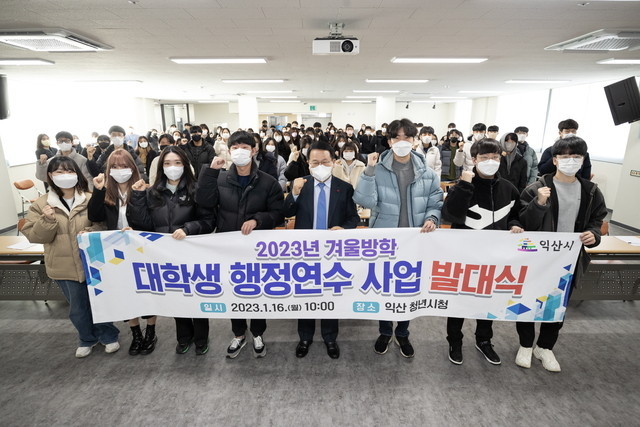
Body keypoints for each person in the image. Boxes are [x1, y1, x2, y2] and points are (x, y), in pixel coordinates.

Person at [354, 118, 443, 358]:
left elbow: (435, 200)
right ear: (389, 141)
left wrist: (432, 218)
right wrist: (369, 171)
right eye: (396, 137)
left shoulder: (425, 171)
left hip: (415, 240)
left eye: (407, 137)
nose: (402, 141)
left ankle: (403, 333)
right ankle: (385, 331)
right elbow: (364, 201)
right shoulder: (378, 168)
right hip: (385, 240)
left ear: (414, 140)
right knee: (384, 288)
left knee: (407, 288)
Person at [516, 136, 606, 372]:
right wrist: (539, 203)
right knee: (527, 300)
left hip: (568, 260)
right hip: (536, 259)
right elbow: (524, 223)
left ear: (583, 160)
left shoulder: (591, 191)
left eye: (576, 156)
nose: (570, 161)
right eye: (565, 156)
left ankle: (545, 347)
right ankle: (525, 344)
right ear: (555, 160)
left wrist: (593, 234)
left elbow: (597, 220)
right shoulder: (536, 188)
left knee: (557, 304)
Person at [195, 131, 284, 359]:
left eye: (245, 147)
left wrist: (258, 220)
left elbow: (277, 214)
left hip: (257, 249)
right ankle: (238, 334)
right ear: (229, 150)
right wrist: (210, 173)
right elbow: (204, 203)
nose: (240, 151)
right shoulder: (221, 178)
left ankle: (258, 333)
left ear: (254, 150)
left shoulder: (268, 182)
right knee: (234, 291)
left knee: (257, 291)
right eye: (235, 148)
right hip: (228, 248)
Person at [22, 156, 120, 358]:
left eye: (69, 171)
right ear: (50, 176)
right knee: (77, 308)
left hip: (92, 262)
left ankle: (108, 334)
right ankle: (86, 338)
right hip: (63, 265)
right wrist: (47, 220)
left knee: (100, 302)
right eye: (59, 172)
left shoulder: (89, 198)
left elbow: (103, 224)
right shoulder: (41, 204)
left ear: (77, 174)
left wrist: (90, 231)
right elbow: (34, 236)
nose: (65, 175)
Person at [441, 138, 524, 366]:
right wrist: (464, 185)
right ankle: (454, 341)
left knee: (488, 300)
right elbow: (450, 215)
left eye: (494, 157)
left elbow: (516, 214)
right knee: (459, 301)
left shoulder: (508, 188)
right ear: (474, 159)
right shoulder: (464, 185)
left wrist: (514, 224)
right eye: (484, 158)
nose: (490, 162)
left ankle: (484, 340)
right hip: (464, 256)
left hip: (495, 257)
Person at [128, 146, 214, 355]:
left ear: (185, 165)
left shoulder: (196, 189)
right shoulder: (153, 192)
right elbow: (143, 225)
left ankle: (201, 339)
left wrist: (188, 229)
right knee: (176, 297)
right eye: (167, 163)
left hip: (192, 254)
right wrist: (137, 196)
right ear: (161, 167)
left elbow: (209, 221)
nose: (172, 167)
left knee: (196, 297)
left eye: (177, 163)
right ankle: (183, 338)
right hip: (165, 256)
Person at [284, 141, 359, 359]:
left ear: (334, 162)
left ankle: (330, 337)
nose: (320, 166)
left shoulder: (344, 187)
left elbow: (353, 218)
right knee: (306, 294)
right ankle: (305, 337)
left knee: (330, 294)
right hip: (305, 251)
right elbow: (286, 212)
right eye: (315, 162)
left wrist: (343, 228)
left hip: (332, 252)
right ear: (308, 164)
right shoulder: (301, 184)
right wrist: (294, 193)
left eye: (325, 162)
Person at [87, 149, 158, 356]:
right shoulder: (106, 191)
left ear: (133, 168)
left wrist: (134, 228)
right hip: (115, 250)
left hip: (141, 248)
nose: (120, 170)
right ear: (109, 170)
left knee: (146, 291)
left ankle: (151, 331)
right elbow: (94, 216)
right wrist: (98, 190)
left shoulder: (144, 188)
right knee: (124, 291)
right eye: (115, 167)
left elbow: (150, 222)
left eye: (124, 166)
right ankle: (135, 333)